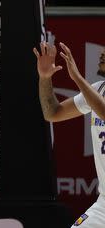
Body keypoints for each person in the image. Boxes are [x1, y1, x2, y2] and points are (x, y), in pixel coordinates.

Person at [34, 41, 105, 228]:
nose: (102, 53)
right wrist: (44, 77)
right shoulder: (98, 89)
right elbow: (53, 113)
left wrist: (77, 78)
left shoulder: (94, 94)